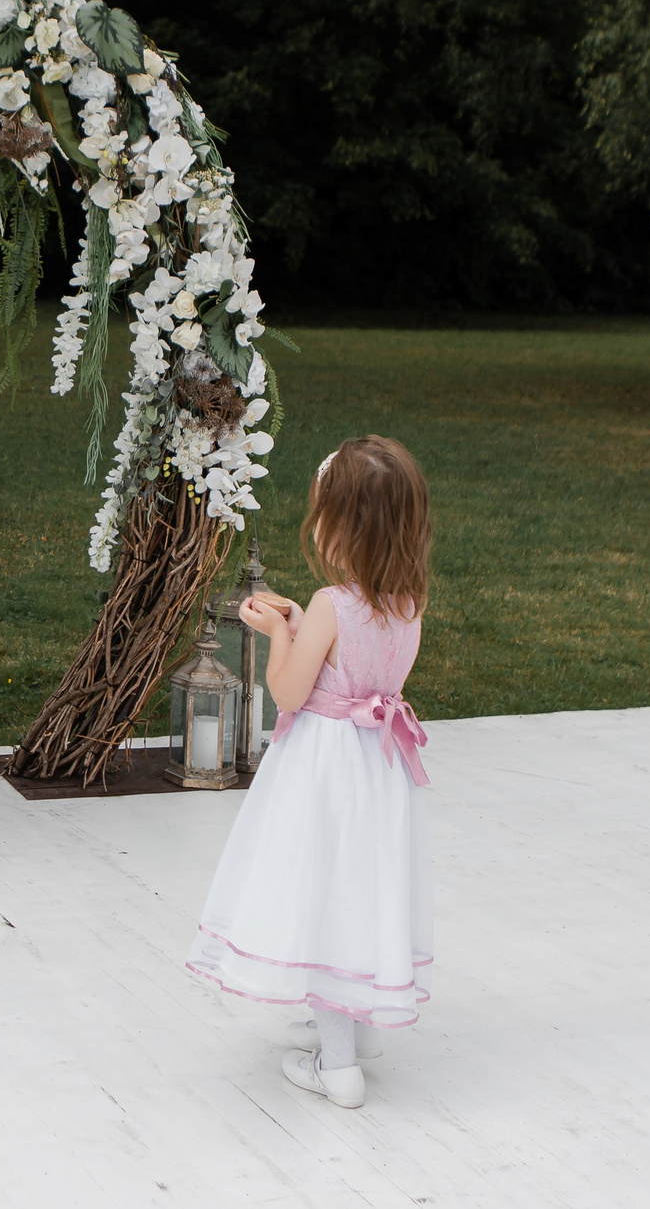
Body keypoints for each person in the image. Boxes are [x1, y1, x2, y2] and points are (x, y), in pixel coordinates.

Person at [183, 435, 437, 1107]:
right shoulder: (408, 599)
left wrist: (276, 634)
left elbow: (294, 691)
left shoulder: (330, 603)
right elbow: (351, 656)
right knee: (360, 888)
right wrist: (300, 622)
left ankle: (339, 1067)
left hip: (325, 768)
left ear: (341, 526)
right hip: (377, 771)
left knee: (320, 893)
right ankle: (361, 1025)